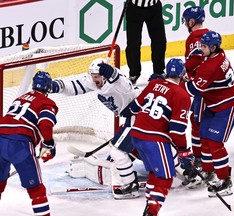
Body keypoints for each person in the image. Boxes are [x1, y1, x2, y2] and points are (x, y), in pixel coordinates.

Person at [50, 58, 142, 199]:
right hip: (131, 117)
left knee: (118, 151)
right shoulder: (95, 81)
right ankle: (153, 162)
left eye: (97, 76)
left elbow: (125, 85)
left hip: (140, 115)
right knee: (116, 156)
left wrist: (113, 74)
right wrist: (56, 86)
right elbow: (75, 86)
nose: (94, 80)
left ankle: (130, 186)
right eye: (93, 76)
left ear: (105, 76)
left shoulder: (118, 81)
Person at [130, 58, 193, 216]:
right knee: (165, 178)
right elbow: (177, 130)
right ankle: (152, 212)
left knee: (155, 173)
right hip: (154, 140)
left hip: (136, 135)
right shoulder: (182, 95)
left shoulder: (152, 84)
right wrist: (184, 151)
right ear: (182, 75)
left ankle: (148, 208)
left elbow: (134, 108)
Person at [184, 31, 234, 197]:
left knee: (215, 143)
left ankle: (225, 180)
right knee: (203, 136)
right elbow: (199, 62)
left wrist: (178, 79)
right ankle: (208, 171)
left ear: (213, 47)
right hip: (214, 104)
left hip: (228, 106)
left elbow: (192, 89)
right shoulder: (217, 54)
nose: (200, 49)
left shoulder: (211, 67)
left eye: (204, 46)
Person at [0, 71, 58, 216]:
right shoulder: (47, 102)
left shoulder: (19, 98)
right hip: (19, 144)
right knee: (36, 190)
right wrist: (49, 144)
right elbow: (45, 124)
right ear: (48, 87)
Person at [181, 6, 209, 185]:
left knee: (198, 123)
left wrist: (183, 72)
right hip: (206, 87)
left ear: (191, 22)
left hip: (203, 89)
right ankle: (202, 157)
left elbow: (196, 60)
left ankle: (201, 160)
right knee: (198, 121)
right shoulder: (209, 34)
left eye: (186, 22)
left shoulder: (194, 38)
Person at [126, 0, 166, 85]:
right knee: (133, 44)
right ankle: (134, 73)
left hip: (154, 8)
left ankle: (159, 71)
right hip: (135, 8)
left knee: (159, 41)